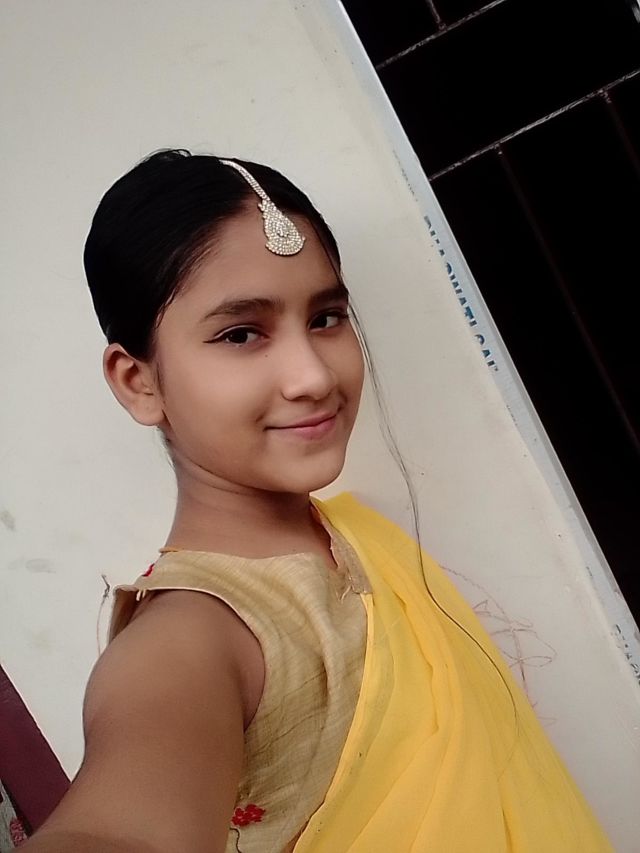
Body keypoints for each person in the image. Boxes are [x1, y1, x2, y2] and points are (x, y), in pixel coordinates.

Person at [22, 150, 611, 852]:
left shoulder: (355, 536)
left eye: (327, 317)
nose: (312, 376)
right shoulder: (190, 640)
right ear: (138, 381)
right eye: (242, 334)